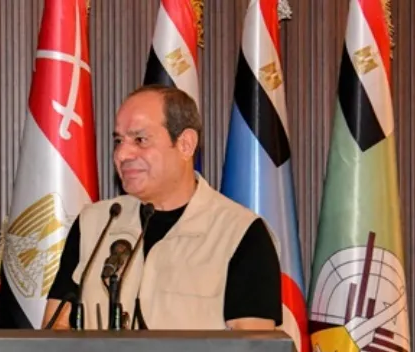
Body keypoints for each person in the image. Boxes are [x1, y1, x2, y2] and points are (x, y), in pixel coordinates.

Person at [41, 84, 283, 331]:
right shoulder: (95, 223)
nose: (122, 154)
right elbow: (56, 329)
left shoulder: (240, 233)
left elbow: (254, 348)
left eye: (140, 140)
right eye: (118, 141)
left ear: (186, 144)